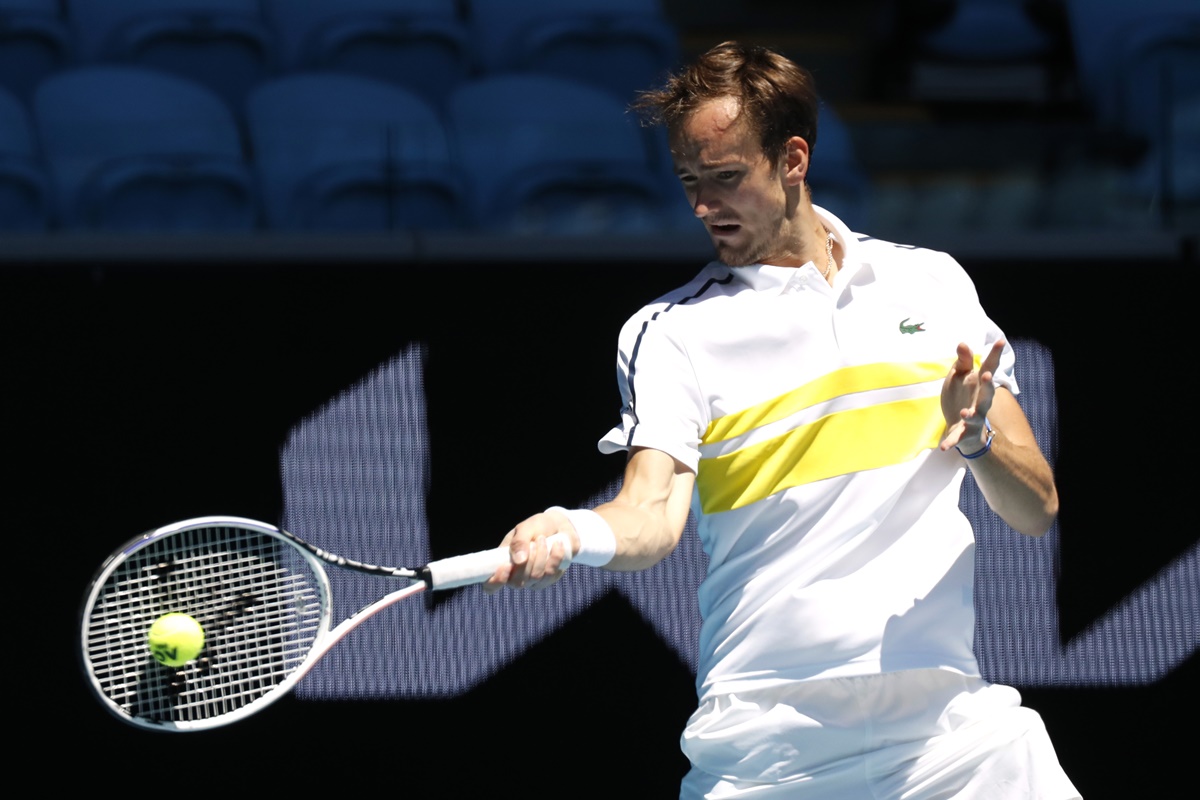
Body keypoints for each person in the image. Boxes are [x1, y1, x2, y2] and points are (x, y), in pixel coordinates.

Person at [485, 41, 1081, 800]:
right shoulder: (671, 332)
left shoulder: (932, 285)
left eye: (726, 179)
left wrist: (977, 438)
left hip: (950, 732)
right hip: (770, 746)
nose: (704, 207)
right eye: (690, 183)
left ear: (792, 159)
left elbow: (1037, 509)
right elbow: (650, 516)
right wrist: (573, 530)